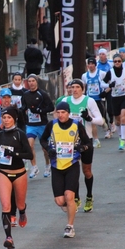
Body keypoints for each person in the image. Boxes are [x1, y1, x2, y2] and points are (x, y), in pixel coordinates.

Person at [40, 102, 92, 238]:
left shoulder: (76, 125)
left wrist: (82, 148)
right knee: (60, 201)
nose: (61, 115)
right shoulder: (52, 125)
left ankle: (70, 226)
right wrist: (49, 148)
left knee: (69, 196)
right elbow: (43, 139)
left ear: (68, 113)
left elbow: (88, 142)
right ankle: (71, 208)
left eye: (64, 112)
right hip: (56, 165)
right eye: (59, 112)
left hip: (72, 164)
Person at [0, 106, 33, 249]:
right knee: (6, 206)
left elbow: (30, 155)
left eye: (9, 118)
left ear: (14, 119)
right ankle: (9, 237)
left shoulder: (20, 134)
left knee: (19, 204)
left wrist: (15, 154)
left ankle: (22, 211)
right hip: (3, 172)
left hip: (19, 172)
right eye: (4, 117)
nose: (6, 120)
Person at [62, 79, 102, 213]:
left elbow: (101, 120)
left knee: (86, 171)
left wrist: (89, 118)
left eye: (77, 87)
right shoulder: (66, 101)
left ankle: (89, 196)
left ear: (82, 89)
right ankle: (76, 197)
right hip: (70, 141)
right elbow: (59, 117)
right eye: (72, 87)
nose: (75, 89)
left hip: (86, 141)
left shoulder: (89, 101)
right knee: (73, 171)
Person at [0, 88, 25, 185]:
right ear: (0, 98)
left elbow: (23, 124)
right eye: (4, 98)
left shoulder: (17, 111)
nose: (6, 100)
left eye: (8, 97)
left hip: (13, 140)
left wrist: (22, 137)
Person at [21, 74, 54, 178]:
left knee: (45, 149)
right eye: (29, 81)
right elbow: (24, 107)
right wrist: (23, 113)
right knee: (29, 145)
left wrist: (40, 111)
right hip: (31, 125)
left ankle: (48, 165)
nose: (31, 83)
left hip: (42, 125)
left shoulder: (42, 94)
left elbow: (51, 107)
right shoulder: (25, 94)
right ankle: (34, 167)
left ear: (36, 82)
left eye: (33, 81)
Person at [101, 54, 125, 151]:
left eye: (119, 61)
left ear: (121, 62)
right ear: (113, 63)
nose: (117, 63)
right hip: (114, 98)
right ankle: (120, 137)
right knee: (118, 120)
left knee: (123, 117)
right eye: (115, 61)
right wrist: (109, 85)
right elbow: (102, 83)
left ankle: (123, 140)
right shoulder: (110, 72)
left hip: (124, 97)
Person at [81, 57, 109, 148]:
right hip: (90, 100)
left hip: (99, 99)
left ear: (95, 65)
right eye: (89, 64)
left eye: (92, 64)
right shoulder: (85, 75)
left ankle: (106, 127)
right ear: (87, 65)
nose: (91, 65)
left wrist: (104, 93)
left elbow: (107, 84)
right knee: (91, 119)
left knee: (101, 117)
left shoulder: (101, 73)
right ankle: (96, 139)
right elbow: (84, 87)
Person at [96, 48, 116, 137]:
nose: (101, 56)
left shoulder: (111, 63)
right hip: (101, 89)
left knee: (110, 108)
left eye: (103, 54)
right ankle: (107, 128)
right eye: (100, 54)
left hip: (110, 88)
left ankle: (112, 122)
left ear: (106, 55)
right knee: (102, 110)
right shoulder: (96, 65)